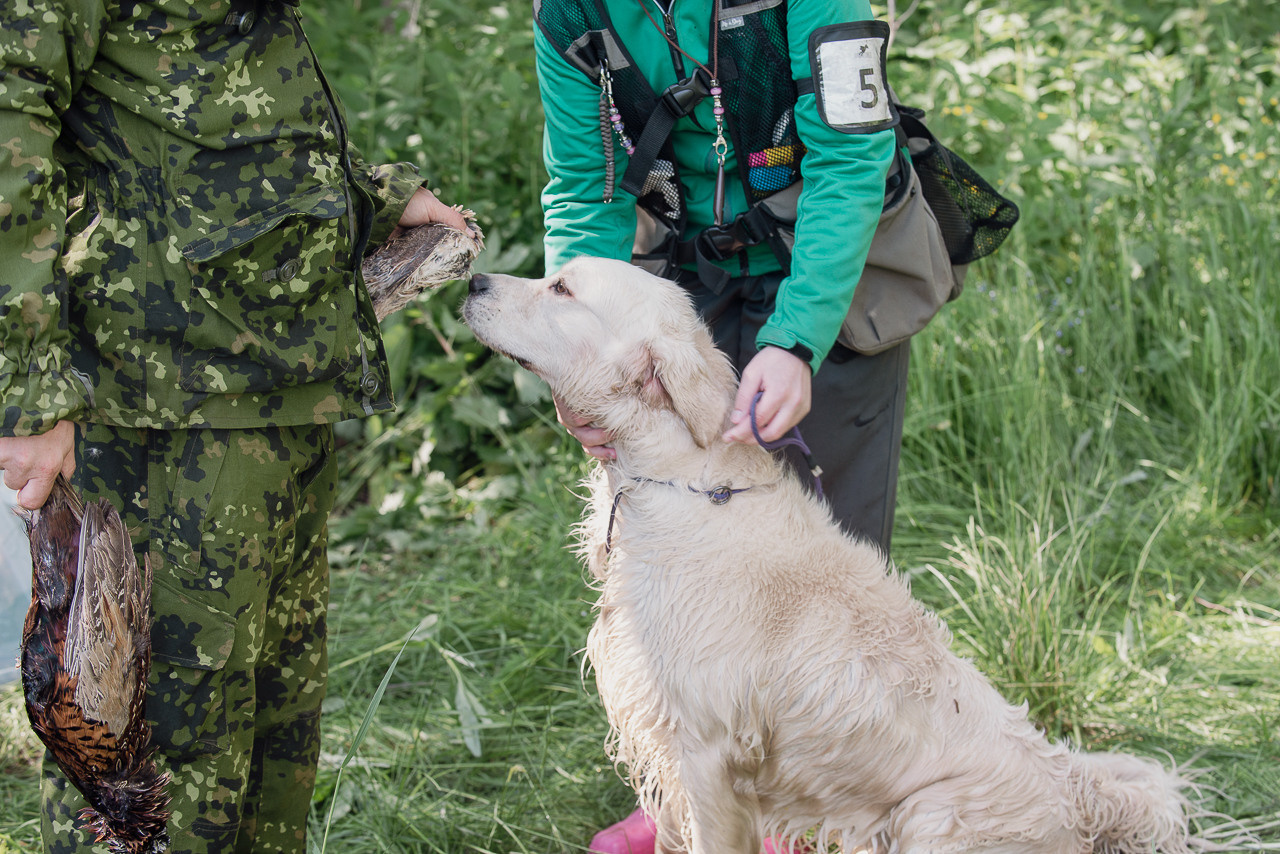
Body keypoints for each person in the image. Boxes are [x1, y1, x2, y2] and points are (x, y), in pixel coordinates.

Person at [0, 2, 472, 851]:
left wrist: (370, 196)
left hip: (276, 387)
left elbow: (211, 83)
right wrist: (29, 388)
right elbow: (9, 113)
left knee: (266, 763)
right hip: (161, 403)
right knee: (155, 782)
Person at [532, 1, 909, 851]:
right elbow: (584, 188)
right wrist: (574, 361)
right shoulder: (572, 12)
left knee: (821, 574)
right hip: (678, 281)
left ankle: (807, 818)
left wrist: (798, 337)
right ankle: (681, 798)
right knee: (664, 553)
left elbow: (852, 161)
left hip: (827, 269)